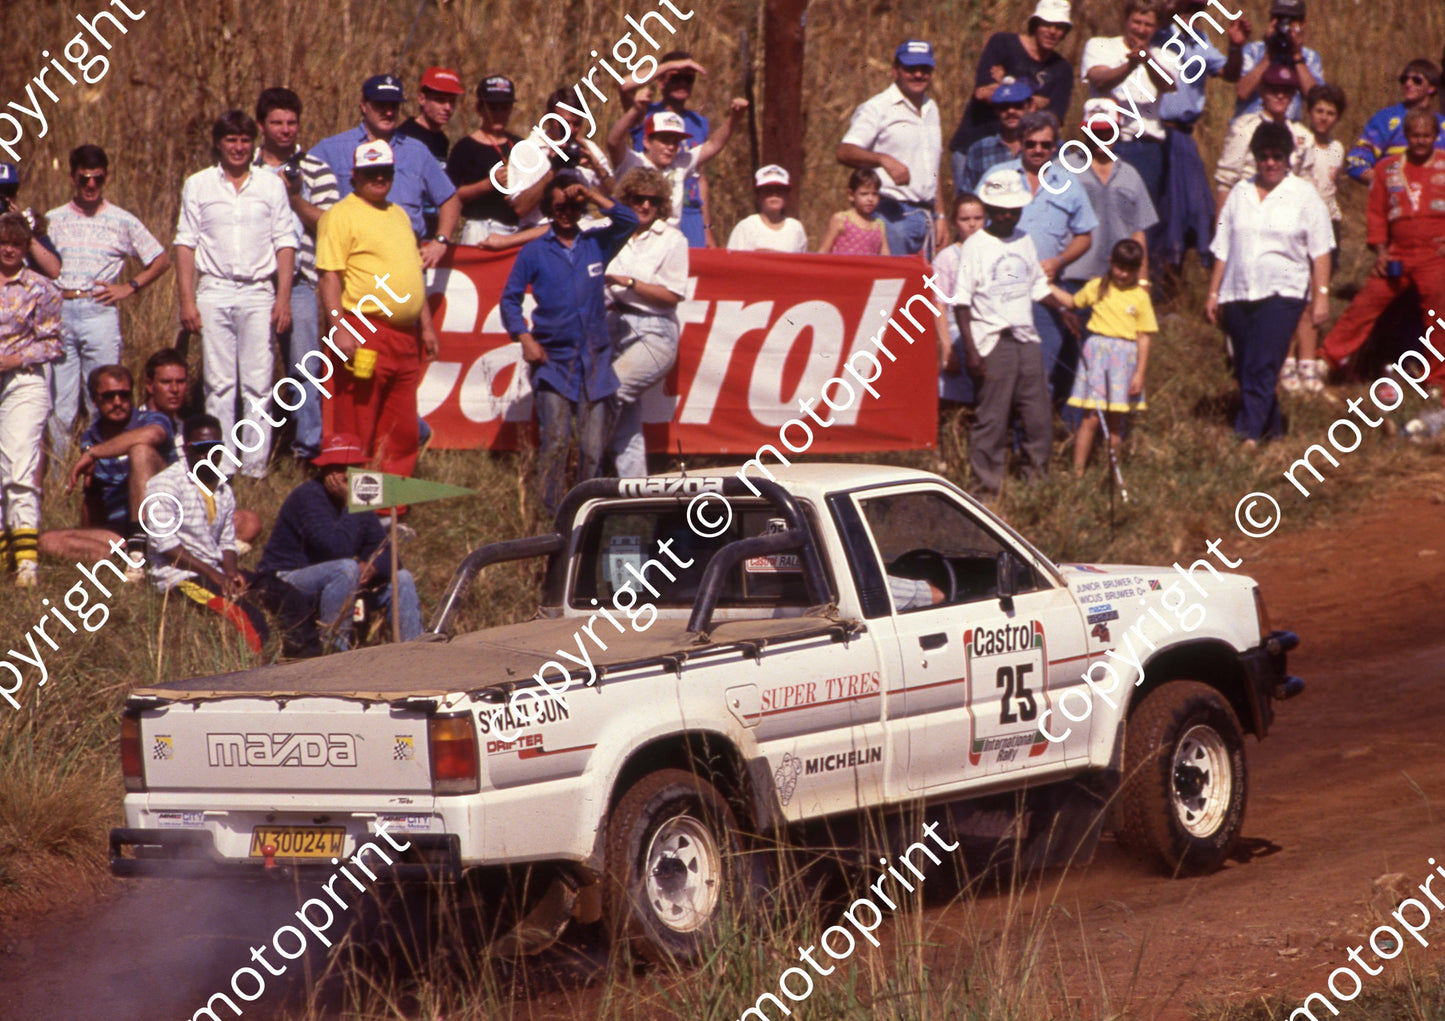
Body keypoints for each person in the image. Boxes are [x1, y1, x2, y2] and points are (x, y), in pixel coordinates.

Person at [500, 175, 638, 513]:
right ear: (549, 208)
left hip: (595, 363)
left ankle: (584, 514)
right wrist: (524, 338)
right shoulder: (534, 251)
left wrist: (592, 194)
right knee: (556, 444)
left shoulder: (596, 244)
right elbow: (509, 299)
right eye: (559, 206)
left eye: (574, 206)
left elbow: (629, 220)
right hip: (553, 363)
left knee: (592, 449)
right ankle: (548, 516)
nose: (566, 213)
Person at [175, 110, 297, 480]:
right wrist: (187, 300)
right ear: (218, 143)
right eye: (231, 140)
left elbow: (286, 242)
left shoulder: (271, 185)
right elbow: (185, 243)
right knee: (218, 384)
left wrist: (283, 298)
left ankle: (255, 467)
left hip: (259, 291)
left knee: (258, 384)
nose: (239, 147)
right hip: (214, 289)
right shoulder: (198, 184)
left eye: (245, 140)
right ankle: (223, 465)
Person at [316, 139, 440, 478]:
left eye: (385, 171)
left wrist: (426, 326)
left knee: (400, 429)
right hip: (364, 330)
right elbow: (329, 276)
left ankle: (390, 504)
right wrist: (338, 327)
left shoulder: (399, 214)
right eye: (371, 172)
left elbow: (413, 273)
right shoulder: (339, 215)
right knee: (357, 422)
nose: (379, 178)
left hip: (405, 337)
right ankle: (351, 499)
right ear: (354, 175)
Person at [952, 170, 1079, 498]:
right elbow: (961, 302)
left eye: (1013, 210)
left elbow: (1037, 286)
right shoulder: (976, 246)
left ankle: (1035, 485)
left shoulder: (1024, 240)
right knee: (992, 418)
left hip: (1026, 339)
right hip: (993, 340)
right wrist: (971, 351)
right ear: (989, 210)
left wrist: (1061, 310)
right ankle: (986, 490)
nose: (1007, 216)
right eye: (1001, 211)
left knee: (1038, 416)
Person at [1206, 121, 1333, 446]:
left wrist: (1321, 295)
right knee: (1245, 366)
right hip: (1238, 291)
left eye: (1277, 156)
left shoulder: (1304, 195)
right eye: (1264, 156)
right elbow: (1223, 247)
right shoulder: (1239, 193)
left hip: (1284, 291)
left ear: (1287, 157)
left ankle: (1247, 437)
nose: (1270, 162)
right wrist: (1213, 292)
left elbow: (1321, 250)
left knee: (1263, 364)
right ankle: (1273, 434)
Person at [43, 145, 170, 458]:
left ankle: (102, 465)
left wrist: (129, 286)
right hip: (60, 312)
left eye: (97, 179)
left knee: (102, 397)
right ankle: (61, 472)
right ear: (72, 178)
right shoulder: (53, 219)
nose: (91, 185)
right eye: (84, 178)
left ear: (106, 178)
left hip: (99, 312)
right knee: (60, 403)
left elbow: (160, 259)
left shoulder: (121, 220)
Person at [256, 433, 422, 652]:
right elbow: (336, 549)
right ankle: (334, 649)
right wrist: (349, 502)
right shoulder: (307, 497)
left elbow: (389, 554)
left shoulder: (358, 498)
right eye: (339, 467)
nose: (346, 474)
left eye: (352, 467)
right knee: (346, 569)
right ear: (326, 470)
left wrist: (372, 567)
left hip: (336, 578)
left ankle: (414, 650)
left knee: (402, 578)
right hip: (288, 579)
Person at [1322, 111, 1445, 390]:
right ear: (1406, 136)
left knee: (1439, 315)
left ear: (1435, 137)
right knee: (1364, 305)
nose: (1420, 141)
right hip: (1397, 253)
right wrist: (1380, 251)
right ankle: (1327, 359)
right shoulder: (1387, 168)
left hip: (1434, 255)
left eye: (1426, 136)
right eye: (1415, 135)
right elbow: (1376, 212)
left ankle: (1437, 378)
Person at [252, 87, 340, 461]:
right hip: (253, 280)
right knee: (251, 373)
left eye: (292, 122)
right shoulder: (245, 168)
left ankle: (308, 447)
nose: (286, 129)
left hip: (300, 280)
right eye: (277, 122)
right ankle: (250, 450)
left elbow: (330, 223)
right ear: (261, 126)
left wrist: (295, 197)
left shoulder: (316, 168)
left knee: (306, 366)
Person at [144, 414, 272, 654]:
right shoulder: (165, 485)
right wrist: (216, 575)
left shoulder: (222, 488)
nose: (207, 455)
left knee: (279, 592)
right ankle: (261, 666)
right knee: (244, 616)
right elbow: (166, 545)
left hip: (215, 570)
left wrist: (230, 572)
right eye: (200, 449)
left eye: (214, 448)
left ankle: (308, 658)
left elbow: (226, 540)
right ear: (186, 449)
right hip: (180, 577)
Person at [993, 112, 1098, 404]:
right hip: (1001, 288)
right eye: (1031, 144)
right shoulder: (998, 177)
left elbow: (1085, 235)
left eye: (1045, 144)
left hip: (1046, 291)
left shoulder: (1068, 182)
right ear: (1020, 143)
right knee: (1001, 370)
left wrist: (1059, 261)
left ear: (1055, 146)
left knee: (1041, 371)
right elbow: (974, 224)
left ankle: (1032, 433)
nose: (1038, 150)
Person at [309, 74, 460, 268]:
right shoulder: (332, 148)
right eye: (380, 105)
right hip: (352, 262)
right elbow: (298, 184)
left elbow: (450, 198)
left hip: (406, 261)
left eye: (394, 106)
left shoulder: (417, 151)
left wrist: (440, 241)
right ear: (364, 106)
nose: (388, 112)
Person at [1152, 0, 1246, 284]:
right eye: (1184, 10)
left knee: (1192, 208)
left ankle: (1173, 281)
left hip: (1182, 135)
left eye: (1196, 11)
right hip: (1155, 132)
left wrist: (1236, 47)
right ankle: (1155, 277)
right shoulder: (1157, 37)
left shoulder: (1199, 42)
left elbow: (1229, 74)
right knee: (1161, 208)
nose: (1189, 17)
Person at [42, 364, 173, 568]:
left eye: (124, 395)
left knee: (140, 451)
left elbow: (153, 435)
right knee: (47, 541)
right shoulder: (90, 437)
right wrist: (90, 488)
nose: (117, 402)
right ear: (94, 399)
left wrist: (94, 453)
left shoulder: (151, 420)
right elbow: (94, 512)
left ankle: (142, 544)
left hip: (160, 521)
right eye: (109, 396)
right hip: (118, 529)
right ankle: (129, 557)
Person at [603, 167, 689, 478]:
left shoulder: (672, 239)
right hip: (611, 324)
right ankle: (634, 491)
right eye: (638, 198)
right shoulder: (610, 230)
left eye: (653, 200)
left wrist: (627, 282)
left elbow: (671, 296)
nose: (645, 205)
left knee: (610, 391)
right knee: (627, 424)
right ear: (626, 199)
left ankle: (581, 463)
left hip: (654, 331)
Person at [1056, 239, 1158, 477]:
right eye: (1120, 267)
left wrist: (1140, 374)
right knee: (1091, 418)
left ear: (1138, 269)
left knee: (1116, 421)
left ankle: (1112, 474)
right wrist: (1047, 285)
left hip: (1124, 362)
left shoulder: (1140, 296)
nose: (1124, 274)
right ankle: (1078, 474)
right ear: (1111, 262)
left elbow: (1144, 337)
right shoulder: (1097, 286)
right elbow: (1072, 302)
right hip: (1098, 357)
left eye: (1130, 270)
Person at [838, 40, 947, 257]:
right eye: (910, 69)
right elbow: (845, 151)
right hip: (891, 214)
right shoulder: (878, 107)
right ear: (895, 71)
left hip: (926, 216)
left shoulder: (931, 108)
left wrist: (941, 215)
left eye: (924, 69)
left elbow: (932, 167)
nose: (918, 75)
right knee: (891, 278)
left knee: (924, 279)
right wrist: (883, 160)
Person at [0, 211, 62, 587]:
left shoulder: (41, 287)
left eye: (16, 244)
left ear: (26, 247)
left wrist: (15, 359)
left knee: (19, 463)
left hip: (22, 380)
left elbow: (53, 342)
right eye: (3, 242)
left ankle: (26, 563)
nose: (9, 249)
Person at [609, 79, 747, 236]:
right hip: (630, 239)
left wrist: (734, 118)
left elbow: (713, 145)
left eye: (675, 141)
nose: (671, 147)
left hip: (667, 241)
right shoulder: (632, 161)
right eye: (664, 140)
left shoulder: (680, 164)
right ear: (647, 142)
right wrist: (635, 110)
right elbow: (613, 142)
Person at [947, 0, 1075, 163]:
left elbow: (1053, 119)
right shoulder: (1002, 44)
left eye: (1059, 27)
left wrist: (1005, 85)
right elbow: (983, 93)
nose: (1052, 32)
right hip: (975, 147)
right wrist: (1032, 101)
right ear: (1035, 24)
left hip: (1024, 155)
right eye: (1047, 24)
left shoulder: (1062, 68)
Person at [1282, 82, 1347, 394]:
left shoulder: (1337, 148)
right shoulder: (1298, 139)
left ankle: (1307, 362)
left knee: (1317, 292)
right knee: (1292, 292)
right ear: (1309, 112)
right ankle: (1286, 360)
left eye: (1330, 113)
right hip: (1298, 224)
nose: (1323, 118)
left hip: (1328, 224)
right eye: (1319, 111)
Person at [1081, 0, 1178, 205]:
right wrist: (1130, 65)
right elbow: (1099, 80)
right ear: (1125, 20)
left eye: (1148, 24)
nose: (1141, 30)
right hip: (1103, 144)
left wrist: (1148, 60)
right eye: (1136, 22)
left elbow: (1168, 85)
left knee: (1142, 214)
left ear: (1157, 27)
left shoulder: (1166, 56)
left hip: (1145, 149)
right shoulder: (1100, 45)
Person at [628, 52, 715, 248]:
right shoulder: (646, 112)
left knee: (691, 266)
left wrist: (707, 227)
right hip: (652, 208)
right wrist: (669, 66)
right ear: (661, 82)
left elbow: (700, 177)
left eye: (689, 79)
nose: (683, 83)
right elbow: (624, 85)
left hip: (690, 212)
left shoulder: (699, 122)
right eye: (676, 78)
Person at [511, 86, 617, 230]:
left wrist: (596, 166)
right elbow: (520, 209)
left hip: (581, 227)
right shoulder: (527, 150)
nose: (571, 130)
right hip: (541, 230)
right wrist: (553, 170)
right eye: (564, 123)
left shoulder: (588, 149)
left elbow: (617, 202)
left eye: (576, 124)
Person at [1214, 63, 1316, 212]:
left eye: (1286, 91)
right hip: (1248, 207)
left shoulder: (1303, 136)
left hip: (1287, 211)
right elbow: (1226, 181)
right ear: (1262, 91)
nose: (1280, 96)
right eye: (1274, 90)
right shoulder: (1244, 128)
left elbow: (1306, 185)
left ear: (1293, 94)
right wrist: (1221, 225)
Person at [447, 75, 524, 244]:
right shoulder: (465, 147)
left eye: (504, 108)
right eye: (493, 108)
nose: (499, 114)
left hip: (516, 229)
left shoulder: (520, 145)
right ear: (479, 108)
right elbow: (452, 195)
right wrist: (489, 183)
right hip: (480, 228)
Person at [1344, 60, 1445, 186]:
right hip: (1394, 194)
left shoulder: (1442, 125)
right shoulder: (1385, 119)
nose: (1408, 84)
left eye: (1417, 80)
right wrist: (1387, 182)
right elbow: (1356, 161)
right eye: (1404, 79)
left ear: (1431, 88)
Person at [933, 192, 987, 406]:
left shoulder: (993, 251)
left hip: (989, 330)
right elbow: (940, 304)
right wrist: (947, 348)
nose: (972, 225)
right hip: (958, 332)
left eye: (978, 218)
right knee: (958, 397)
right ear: (955, 221)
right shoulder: (947, 257)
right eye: (965, 219)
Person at [1233, 0, 1323, 122]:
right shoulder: (1253, 51)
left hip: (1287, 127)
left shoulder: (1310, 57)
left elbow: (1316, 99)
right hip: (1251, 124)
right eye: (1280, 19)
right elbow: (1242, 92)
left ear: (1303, 24)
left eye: (1291, 20)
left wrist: (1297, 57)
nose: (1285, 26)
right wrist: (1269, 54)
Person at [954, 78, 1032, 196]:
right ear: (996, 110)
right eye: (1004, 107)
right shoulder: (979, 150)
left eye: (1018, 106)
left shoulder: (1044, 146)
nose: (1011, 111)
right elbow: (968, 196)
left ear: (1029, 107)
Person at [0, 163, 62, 279]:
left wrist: (23, 228)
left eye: (9, 191)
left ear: (16, 192)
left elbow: (54, 270)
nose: (3, 198)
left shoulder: (30, 222)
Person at [728, 165, 808, 253]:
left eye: (780, 190)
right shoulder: (745, 227)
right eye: (768, 190)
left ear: (787, 195)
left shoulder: (796, 228)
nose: (774, 194)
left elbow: (801, 260)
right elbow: (733, 259)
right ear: (757, 196)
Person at [396, 67, 463, 163]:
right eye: (440, 100)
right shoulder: (404, 136)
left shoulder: (442, 140)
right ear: (422, 99)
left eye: (452, 101)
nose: (447, 108)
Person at [817, 169, 889, 255]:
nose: (870, 199)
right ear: (851, 195)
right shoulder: (841, 219)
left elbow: (886, 257)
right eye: (864, 194)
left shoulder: (879, 225)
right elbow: (823, 252)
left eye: (875, 194)